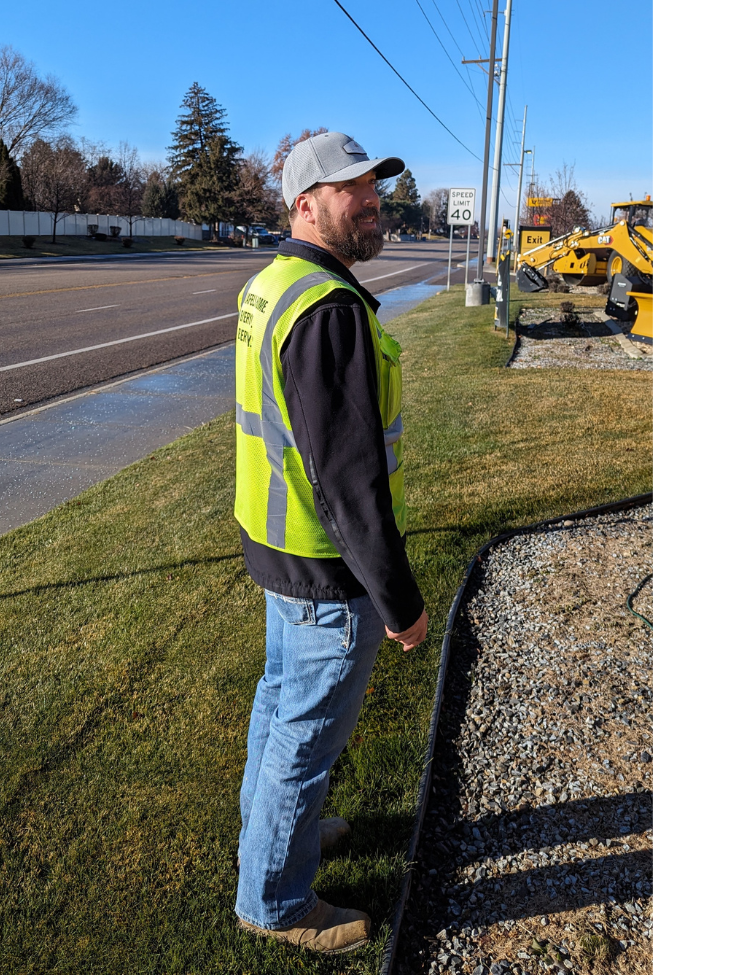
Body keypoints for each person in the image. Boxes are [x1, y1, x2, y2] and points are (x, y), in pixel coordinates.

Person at [233, 131, 428, 954]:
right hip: (324, 565)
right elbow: (349, 482)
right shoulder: (328, 308)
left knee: (280, 706)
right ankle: (274, 897)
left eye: (374, 184)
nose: (371, 198)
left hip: (278, 547)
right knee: (304, 738)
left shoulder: (272, 283)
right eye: (352, 188)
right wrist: (399, 600)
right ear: (305, 204)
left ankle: (276, 830)